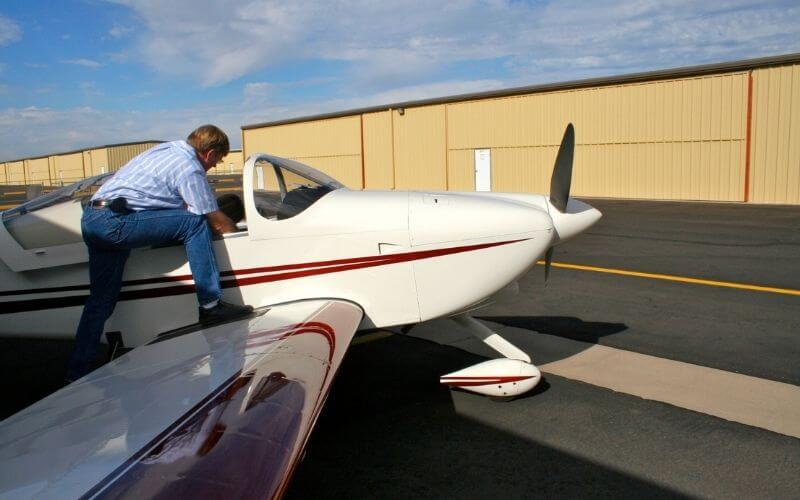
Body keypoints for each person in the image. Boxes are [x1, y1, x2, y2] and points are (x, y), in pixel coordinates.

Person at [66, 124, 253, 381]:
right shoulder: (189, 168)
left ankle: (77, 373)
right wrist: (241, 236)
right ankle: (210, 304)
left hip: (93, 219)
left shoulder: (166, 150)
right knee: (194, 223)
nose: (215, 166)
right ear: (209, 153)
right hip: (116, 222)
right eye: (218, 160)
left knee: (101, 301)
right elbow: (214, 219)